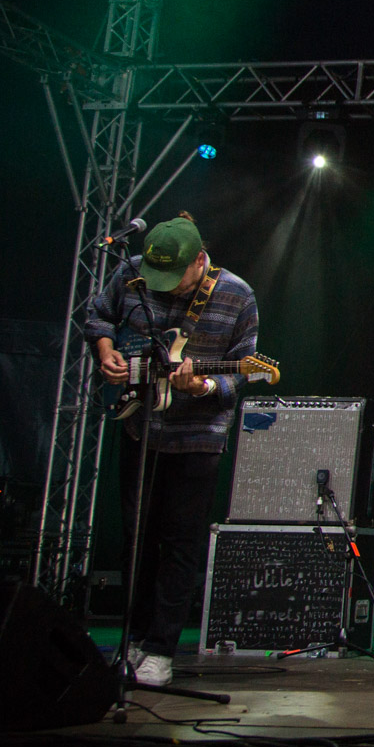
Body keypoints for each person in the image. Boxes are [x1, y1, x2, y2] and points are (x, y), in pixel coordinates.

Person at [84, 213, 260, 687]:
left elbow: (242, 370)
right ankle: (134, 641)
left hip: (197, 436)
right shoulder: (133, 270)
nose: (165, 286)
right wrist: (105, 351)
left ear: (199, 260)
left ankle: (161, 650)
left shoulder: (237, 295)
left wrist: (204, 386)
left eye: (175, 279)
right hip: (141, 426)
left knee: (180, 544)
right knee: (136, 538)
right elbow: (97, 314)